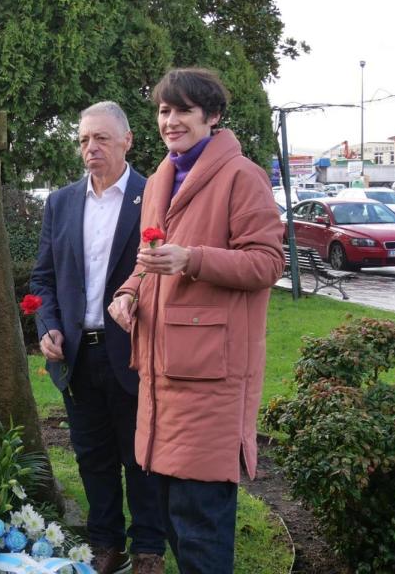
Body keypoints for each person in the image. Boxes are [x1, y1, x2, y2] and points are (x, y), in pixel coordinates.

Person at [108, 68, 284, 573]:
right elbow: (150, 257)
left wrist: (194, 259)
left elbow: (268, 263)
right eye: (164, 110)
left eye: (183, 110)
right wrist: (127, 293)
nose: (171, 120)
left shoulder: (241, 176)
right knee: (171, 520)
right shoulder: (163, 175)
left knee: (200, 526)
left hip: (212, 379)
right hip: (161, 376)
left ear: (213, 116)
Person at [30, 101, 166, 574]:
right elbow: (42, 279)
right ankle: (105, 543)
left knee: (142, 456)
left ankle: (148, 546)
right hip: (77, 358)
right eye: (85, 139)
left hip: (133, 352)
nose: (91, 148)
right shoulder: (61, 203)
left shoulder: (153, 197)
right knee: (93, 457)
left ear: (127, 141)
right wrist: (46, 326)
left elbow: (164, 279)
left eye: (102, 138)